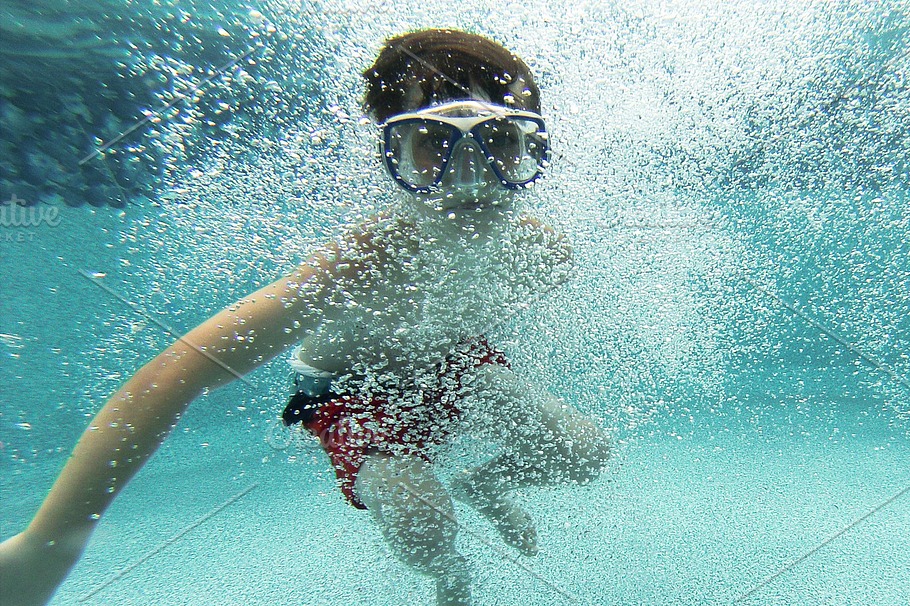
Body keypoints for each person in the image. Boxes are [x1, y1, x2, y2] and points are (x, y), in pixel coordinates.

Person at [0, 28, 610, 606]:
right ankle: (452, 584)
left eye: (500, 141)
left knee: (583, 451)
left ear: (535, 146)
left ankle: (485, 484)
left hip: (455, 366)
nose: (471, 176)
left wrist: (494, 398)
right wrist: (49, 539)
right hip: (350, 393)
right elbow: (176, 372)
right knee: (422, 517)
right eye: (434, 145)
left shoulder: (540, 251)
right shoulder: (361, 261)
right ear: (388, 155)